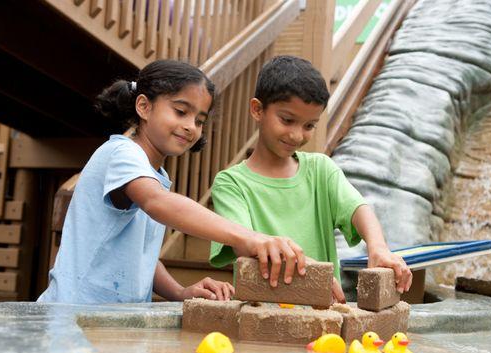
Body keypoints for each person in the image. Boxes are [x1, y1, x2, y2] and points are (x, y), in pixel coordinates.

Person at [38, 59, 306, 304]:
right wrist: (249, 237)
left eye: (199, 120)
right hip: (72, 316)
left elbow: (139, 256)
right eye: (180, 111)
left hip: (112, 327)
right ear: (144, 106)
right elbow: (158, 202)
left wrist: (180, 292)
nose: (191, 126)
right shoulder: (121, 154)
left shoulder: (157, 176)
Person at [210, 56, 412, 302]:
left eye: (309, 125)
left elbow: (358, 208)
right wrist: (313, 273)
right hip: (260, 319)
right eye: (287, 120)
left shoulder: (321, 170)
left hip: (324, 322)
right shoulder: (231, 184)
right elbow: (245, 244)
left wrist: (378, 247)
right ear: (257, 109)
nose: (296, 135)